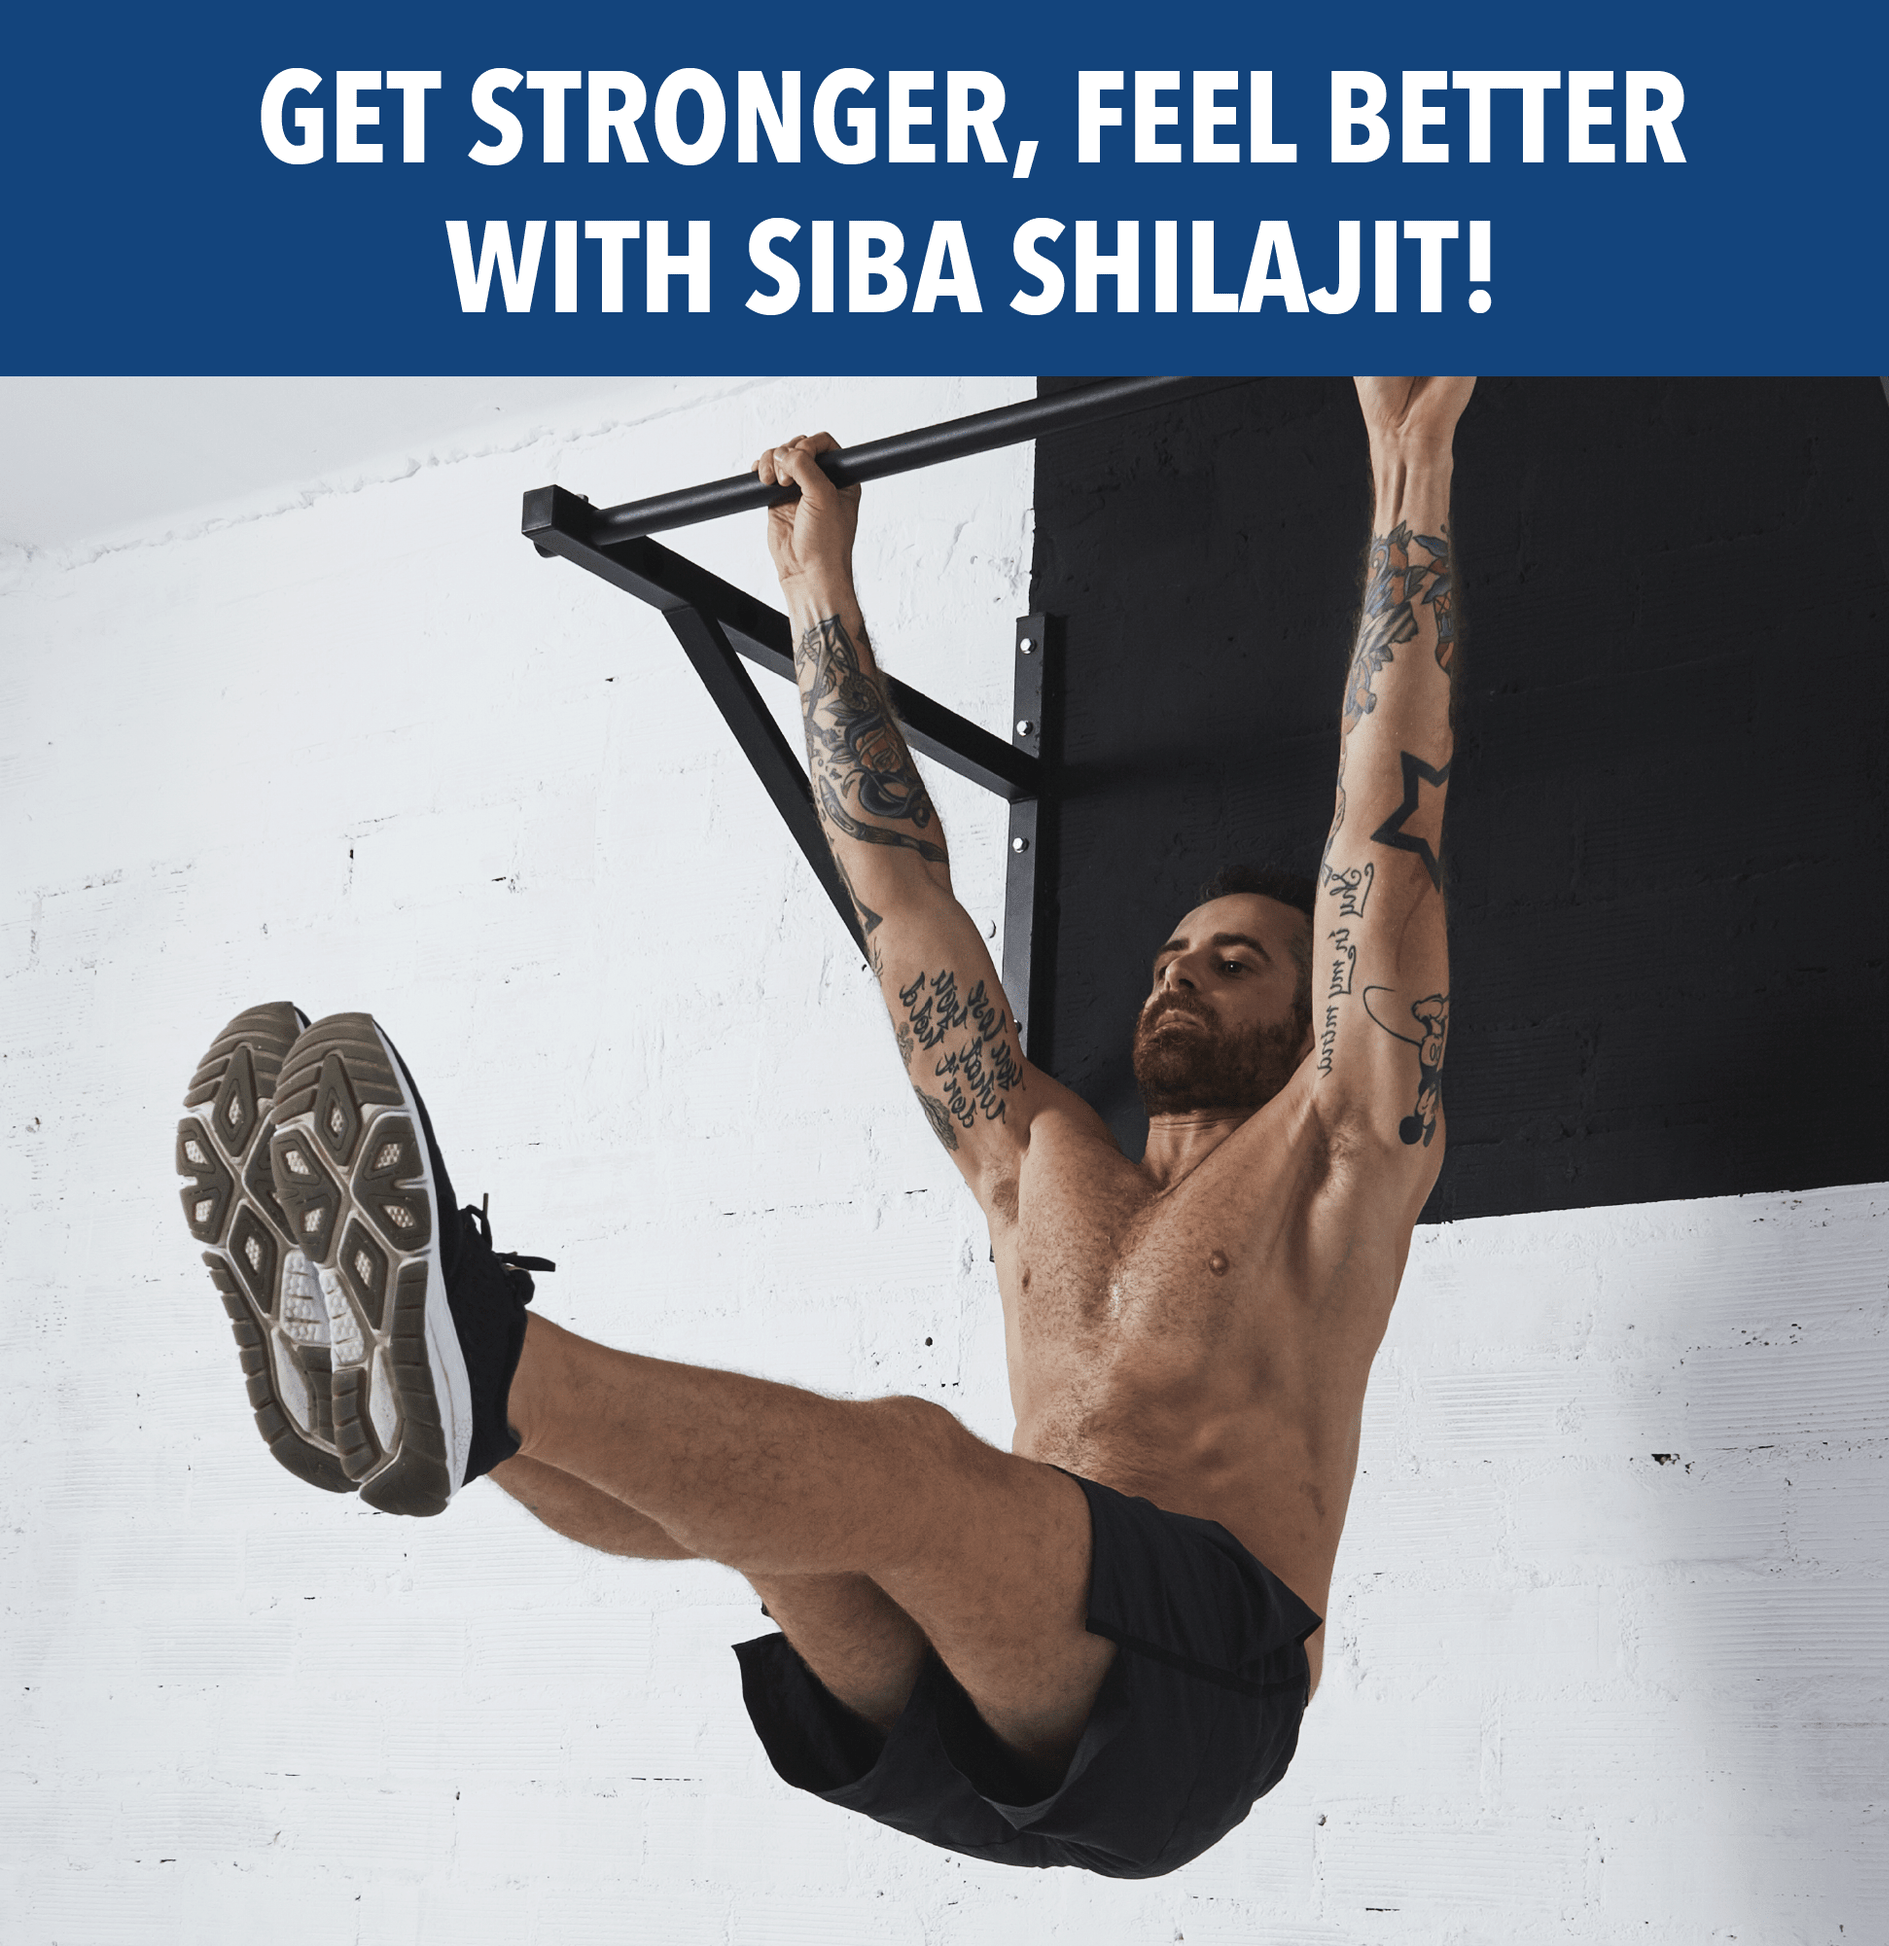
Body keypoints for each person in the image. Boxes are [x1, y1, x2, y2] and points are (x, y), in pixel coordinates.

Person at [175, 375, 1472, 1878]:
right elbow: (900, 897)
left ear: (1305, 1003)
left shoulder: (1339, 1147)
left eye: (1232, 957)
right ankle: (449, 1400)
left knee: (907, 1465)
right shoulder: (1035, 1155)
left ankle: (468, 1338)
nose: (1181, 969)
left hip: (1198, 1688)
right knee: (780, 1529)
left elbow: (1387, 831)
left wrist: (1410, 458)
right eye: (1172, 951)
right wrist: (815, 584)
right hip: (978, 1685)